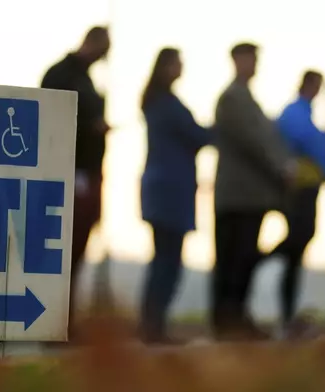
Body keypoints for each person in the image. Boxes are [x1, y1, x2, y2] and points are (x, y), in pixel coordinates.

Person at [211, 42, 298, 340]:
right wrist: (282, 168)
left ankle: (236, 318)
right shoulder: (232, 98)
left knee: (243, 258)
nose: (254, 64)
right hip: (237, 195)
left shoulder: (247, 99)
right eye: (250, 58)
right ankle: (228, 321)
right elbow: (253, 142)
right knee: (232, 259)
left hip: (250, 196)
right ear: (236, 60)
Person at [40, 26, 111, 341]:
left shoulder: (86, 79)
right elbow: (49, 118)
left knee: (76, 252)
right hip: (68, 173)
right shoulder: (61, 75)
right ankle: (53, 322)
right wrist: (89, 128)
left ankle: (64, 320)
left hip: (88, 173)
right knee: (60, 252)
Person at [139, 48, 211, 344]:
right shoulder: (167, 105)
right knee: (168, 261)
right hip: (171, 191)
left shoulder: (155, 102)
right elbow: (198, 135)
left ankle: (152, 323)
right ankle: (154, 326)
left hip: (161, 189)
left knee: (163, 259)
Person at [269, 70, 325, 338]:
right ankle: (258, 260)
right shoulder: (295, 114)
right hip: (300, 187)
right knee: (298, 240)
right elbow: (309, 144)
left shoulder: (303, 114)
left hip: (307, 185)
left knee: (298, 247)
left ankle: (287, 313)